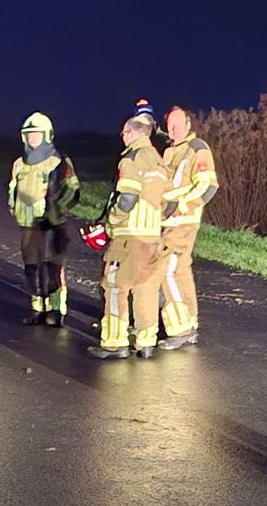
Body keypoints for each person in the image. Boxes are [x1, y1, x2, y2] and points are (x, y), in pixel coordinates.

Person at [87, 114, 168, 359]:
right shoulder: (159, 162)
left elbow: (127, 197)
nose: (122, 137)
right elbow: (167, 201)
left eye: (124, 133)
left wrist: (112, 221)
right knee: (146, 288)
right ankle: (146, 342)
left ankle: (114, 342)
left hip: (129, 236)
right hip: (152, 236)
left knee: (115, 286)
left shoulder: (131, 159)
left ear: (133, 133)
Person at [7, 112, 81, 326]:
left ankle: (55, 310)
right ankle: (37, 309)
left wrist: (55, 214)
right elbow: (13, 189)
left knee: (52, 268)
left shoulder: (58, 161)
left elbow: (72, 191)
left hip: (51, 226)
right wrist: (14, 209)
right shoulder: (19, 163)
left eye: (37, 134)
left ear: (47, 135)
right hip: (28, 226)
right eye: (29, 134)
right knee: (32, 267)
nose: (32, 138)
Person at [157, 105, 218, 349]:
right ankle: (187, 324)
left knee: (168, 271)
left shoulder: (197, 149)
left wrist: (180, 207)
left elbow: (207, 187)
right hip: (167, 222)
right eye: (170, 125)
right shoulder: (170, 150)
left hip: (182, 223)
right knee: (180, 271)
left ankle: (180, 329)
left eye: (178, 124)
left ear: (188, 124)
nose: (173, 129)